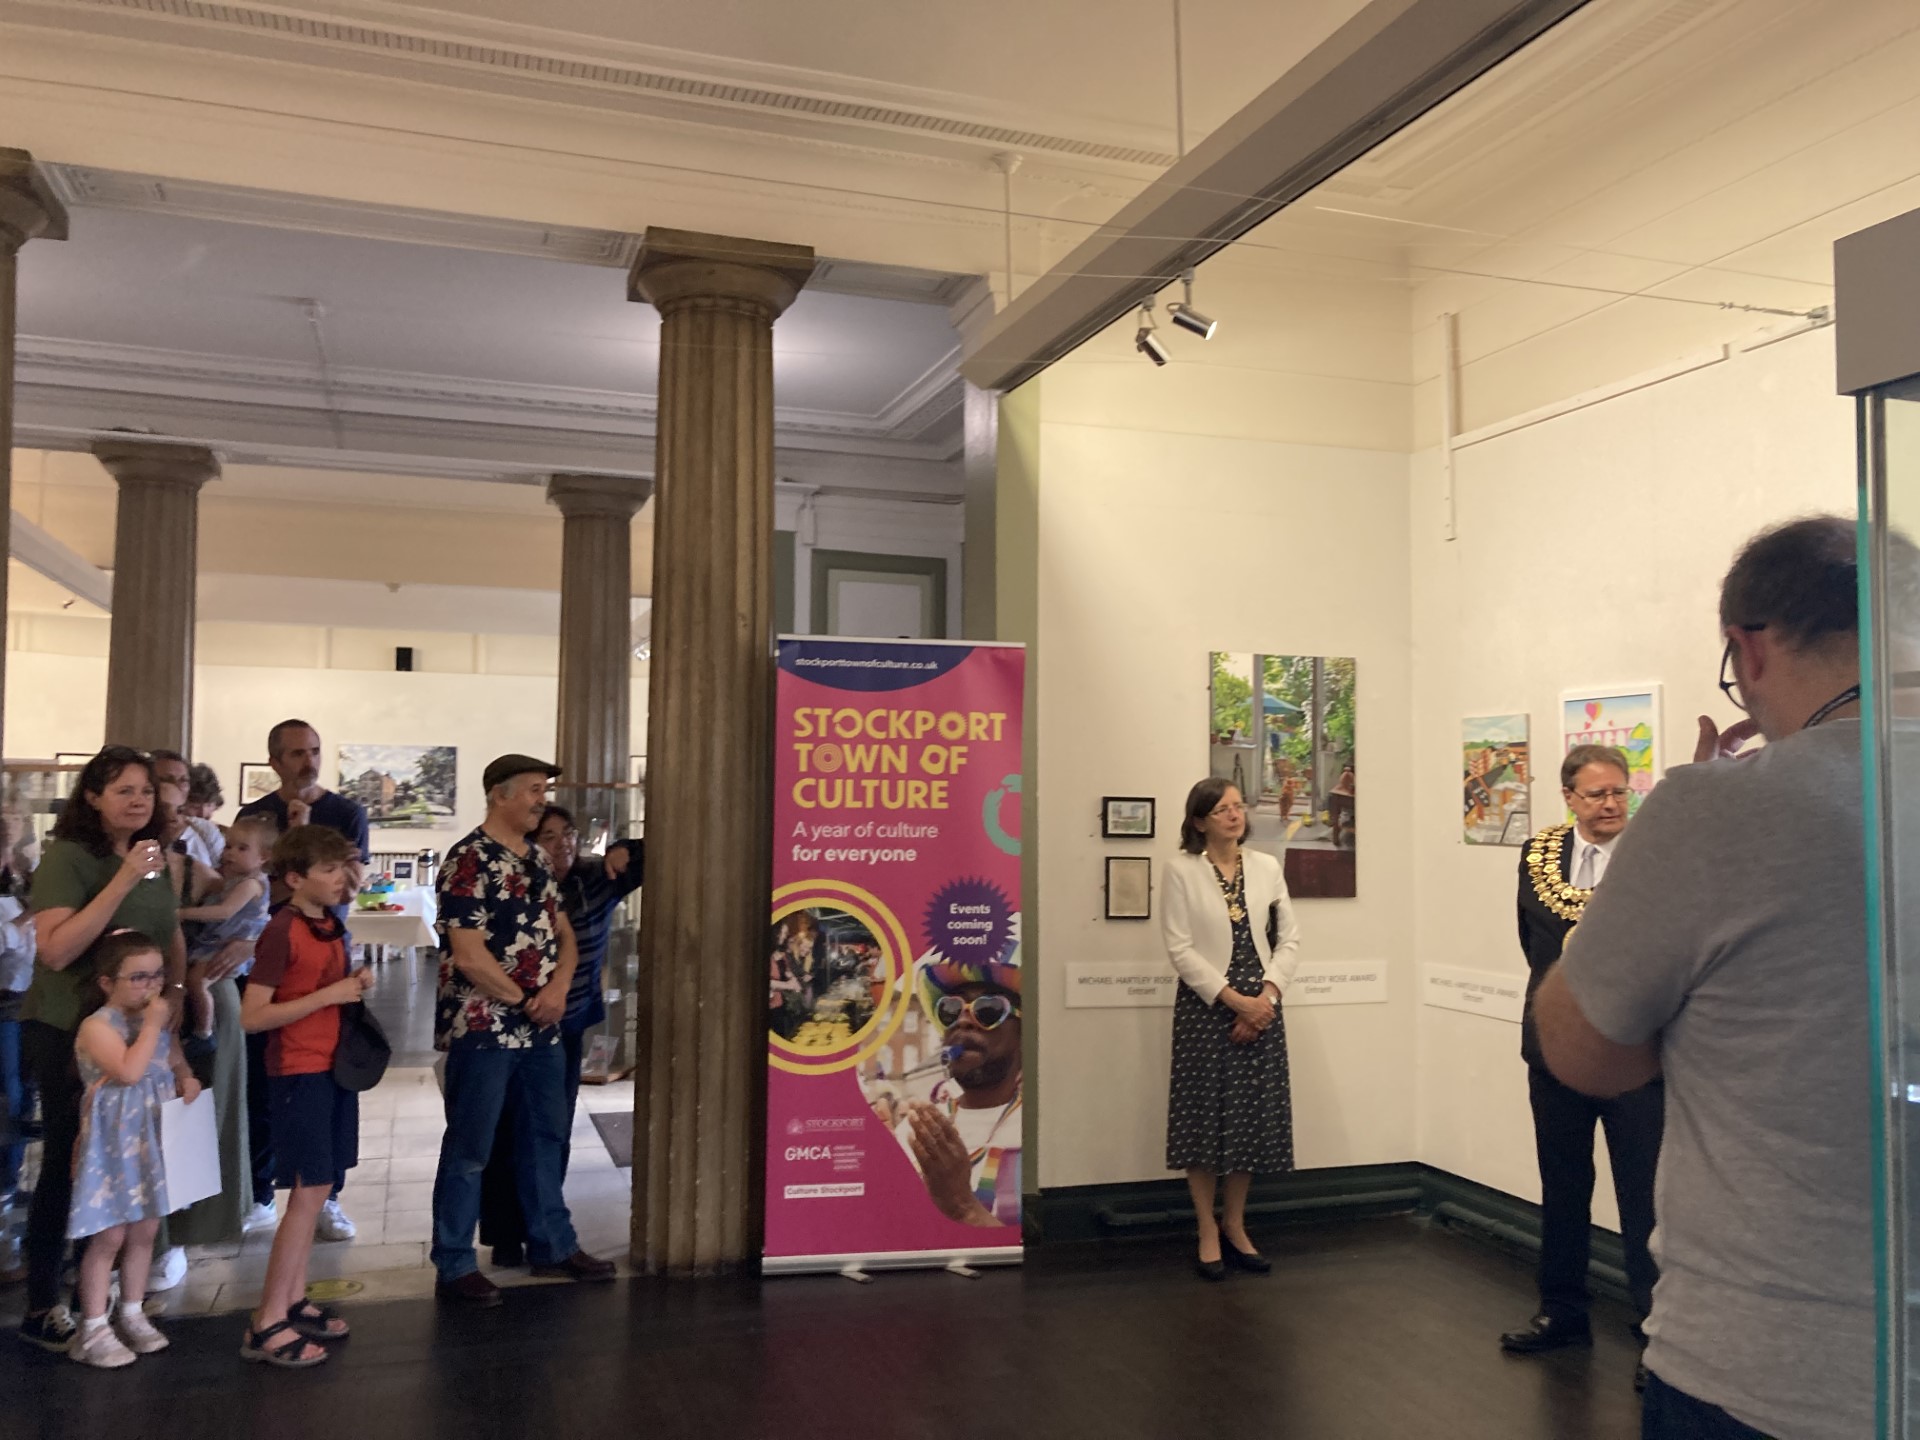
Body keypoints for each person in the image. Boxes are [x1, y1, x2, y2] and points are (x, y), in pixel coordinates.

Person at [1536, 516, 1890, 1440]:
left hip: (1775, 1365)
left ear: (1750, 646)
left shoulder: (1717, 806)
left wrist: (1668, 855)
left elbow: (1585, 1051)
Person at [1501, 744, 1660, 1387]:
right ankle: (1562, 1312)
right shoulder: (1540, 857)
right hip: (1557, 1051)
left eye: (1619, 791)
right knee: (1563, 1186)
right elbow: (1533, 943)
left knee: (1644, 1197)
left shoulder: (1653, 855)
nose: (1611, 804)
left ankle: (1658, 1334)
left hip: (1637, 1055)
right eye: (1596, 794)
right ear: (1569, 797)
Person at [429, 756, 615, 1306]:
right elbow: (468, 955)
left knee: (546, 1137)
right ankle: (455, 1262)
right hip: (483, 1028)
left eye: (543, 790)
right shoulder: (468, 860)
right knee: (471, 1146)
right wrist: (527, 1001)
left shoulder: (535, 858)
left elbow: (564, 935)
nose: (541, 800)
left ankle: (553, 1244)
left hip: (541, 1028)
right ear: (500, 795)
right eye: (534, 791)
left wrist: (556, 992)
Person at [20, 747, 182, 1352]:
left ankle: (111, 1295)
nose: (139, 800)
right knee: (72, 1162)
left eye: (146, 790)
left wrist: (183, 992)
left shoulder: (154, 859)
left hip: (137, 1031)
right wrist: (122, 878)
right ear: (92, 797)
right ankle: (44, 1300)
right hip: (70, 1028)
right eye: (123, 790)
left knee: (126, 1164)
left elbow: (165, 932)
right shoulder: (70, 857)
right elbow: (57, 951)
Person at [477, 805, 640, 1267]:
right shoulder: (518, 880)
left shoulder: (595, 878)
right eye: (550, 836)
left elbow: (661, 855)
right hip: (517, 1020)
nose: (563, 843)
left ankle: (544, 1231)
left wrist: (625, 848)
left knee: (552, 1129)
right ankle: (507, 1235)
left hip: (568, 1023)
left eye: (568, 834)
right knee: (508, 1129)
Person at [239, 824, 372, 1368]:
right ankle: (267, 1317)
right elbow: (254, 1015)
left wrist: (348, 987)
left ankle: (292, 1298)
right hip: (298, 1069)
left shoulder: (328, 924)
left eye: (342, 866)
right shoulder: (283, 928)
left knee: (318, 1189)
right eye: (327, 869)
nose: (340, 877)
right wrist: (330, 995)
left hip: (332, 1066)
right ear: (295, 878)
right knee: (306, 1190)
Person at [236, 719, 370, 1242]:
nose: (307, 761)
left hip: (324, 943)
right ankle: (262, 1191)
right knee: (269, 1081)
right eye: (295, 753)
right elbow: (249, 881)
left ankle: (326, 1195)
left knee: (329, 1086)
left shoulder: (346, 813)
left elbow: (350, 884)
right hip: (272, 945)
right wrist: (290, 834)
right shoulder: (255, 815)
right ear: (274, 760)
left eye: (314, 751)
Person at [1163, 778, 1301, 1281]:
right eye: (1222, 809)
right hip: (1206, 1006)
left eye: (1238, 806)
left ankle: (1236, 1225)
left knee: (1249, 1120)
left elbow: (1289, 938)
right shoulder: (1181, 870)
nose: (1234, 815)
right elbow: (1179, 948)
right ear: (1199, 820)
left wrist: (1264, 999)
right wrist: (1233, 1000)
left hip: (1263, 1002)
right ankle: (1205, 1229)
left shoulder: (1267, 867)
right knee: (1202, 1120)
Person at [66, 932, 200, 1368]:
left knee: (145, 1229)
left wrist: (185, 1076)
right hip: (112, 1144)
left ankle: (133, 1309)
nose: (150, 986)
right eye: (138, 978)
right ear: (107, 982)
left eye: (157, 976)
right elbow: (128, 1070)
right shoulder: (97, 1027)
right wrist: (154, 1026)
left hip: (150, 1138)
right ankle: (93, 1326)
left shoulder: (154, 1022)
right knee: (110, 1234)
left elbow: (171, 1057)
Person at [168, 815, 276, 1252]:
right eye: (228, 846)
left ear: (263, 858)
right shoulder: (229, 877)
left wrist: (177, 912)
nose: (230, 854)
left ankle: (205, 1028)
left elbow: (223, 912)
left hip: (222, 954)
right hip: (212, 948)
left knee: (198, 983)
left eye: (240, 849)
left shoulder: (250, 885)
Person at [899, 956, 1023, 1227]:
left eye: (988, 1009)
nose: (963, 1021)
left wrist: (964, 1207)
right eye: (951, 1010)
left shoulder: (1048, 1132)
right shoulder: (916, 1127)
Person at [0, 814, 36, 1206]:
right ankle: (4, 1180)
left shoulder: (18, 883)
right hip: (6, 1001)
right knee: (9, 1091)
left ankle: (13, 1174)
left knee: (25, 1090)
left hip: (29, 1000)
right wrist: (27, 918)